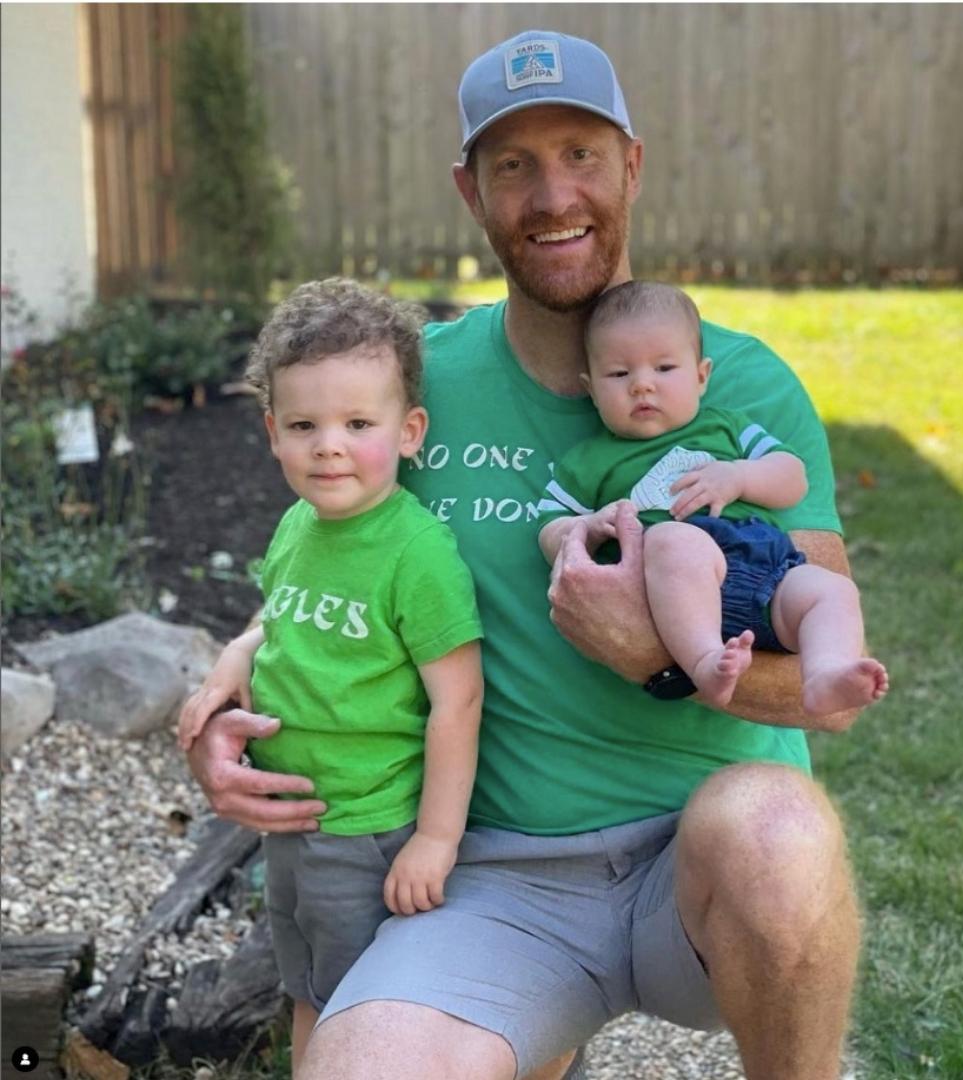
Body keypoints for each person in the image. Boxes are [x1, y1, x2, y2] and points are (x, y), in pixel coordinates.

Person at [183, 30, 869, 1080]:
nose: (554, 196)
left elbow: (831, 697)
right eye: (515, 166)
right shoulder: (416, 386)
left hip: (703, 859)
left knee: (781, 830)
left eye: (581, 155)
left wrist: (657, 655)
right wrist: (229, 687)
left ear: (632, 165)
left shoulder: (740, 385)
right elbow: (325, 566)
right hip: (493, 878)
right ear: (472, 191)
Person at [177, 279, 484, 1074]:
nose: (330, 446)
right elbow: (274, 621)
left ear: (409, 430)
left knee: (361, 1007)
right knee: (308, 988)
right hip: (290, 827)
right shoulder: (296, 528)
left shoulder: (416, 553)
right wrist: (232, 659)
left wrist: (436, 839)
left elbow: (459, 699)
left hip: (369, 830)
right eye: (305, 425)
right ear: (273, 431)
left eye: (357, 423)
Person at [538, 280, 889, 716]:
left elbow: (793, 477)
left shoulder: (726, 427)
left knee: (831, 589)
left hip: (763, 567)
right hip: (676, 589)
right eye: (619, 374)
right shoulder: (588, 461)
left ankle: (823, 674)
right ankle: (706, 662)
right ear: (591, 389)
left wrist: (740, 476)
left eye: (664, 369)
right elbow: (548, 529)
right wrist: (585, 528)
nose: (642, 385)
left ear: (702, 376)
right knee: (672, 539)